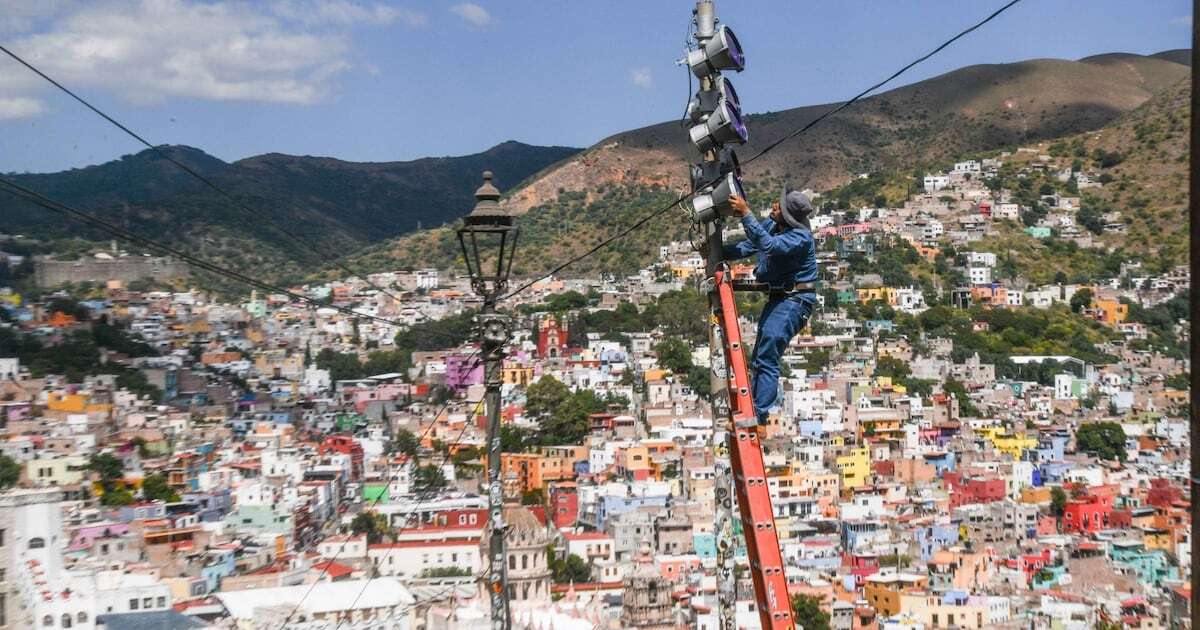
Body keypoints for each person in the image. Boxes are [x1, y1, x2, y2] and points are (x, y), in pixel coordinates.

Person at [722, 188, 819, 426]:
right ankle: (754, 411)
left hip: (794, 301)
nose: (774, 207)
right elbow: (749, 245)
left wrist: (746, 213)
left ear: (788, 216)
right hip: (780, 299)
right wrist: (717, 252)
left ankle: (759, 416)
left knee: (767, 358)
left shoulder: (799, 237)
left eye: (779, 207)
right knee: (759, 358)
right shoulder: (775, 226)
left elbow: (769, 246)